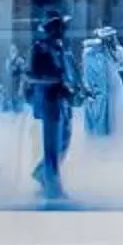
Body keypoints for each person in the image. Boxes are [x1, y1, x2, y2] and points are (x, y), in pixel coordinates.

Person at [21, 13, 80, 199]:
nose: (64, 31)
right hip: (49, 100)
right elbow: (30, 75)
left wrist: (73, 87)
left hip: (63, 101)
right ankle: (53, 187)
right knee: (52, 146)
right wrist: (54, 81)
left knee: (65, 140)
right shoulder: (40, 49)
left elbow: (68, 72)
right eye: (61, 27)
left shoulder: (61, 48)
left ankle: (42, 174)